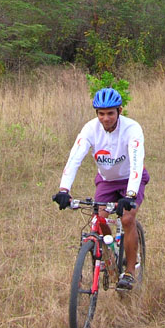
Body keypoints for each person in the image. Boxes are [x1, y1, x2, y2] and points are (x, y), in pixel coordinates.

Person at [52, 87, 149, 291]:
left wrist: (130, 194)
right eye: (101, 114)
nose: (106, 118)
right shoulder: (90, 129)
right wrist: (64, 189)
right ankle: (105, 256)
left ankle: (130, 272)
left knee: (127, 218)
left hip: (130, 178)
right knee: (98, 218)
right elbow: (75, 158)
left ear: (120, 111)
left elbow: (136, 162)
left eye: (110, 113)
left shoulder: (132, 129)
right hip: (106, 180)